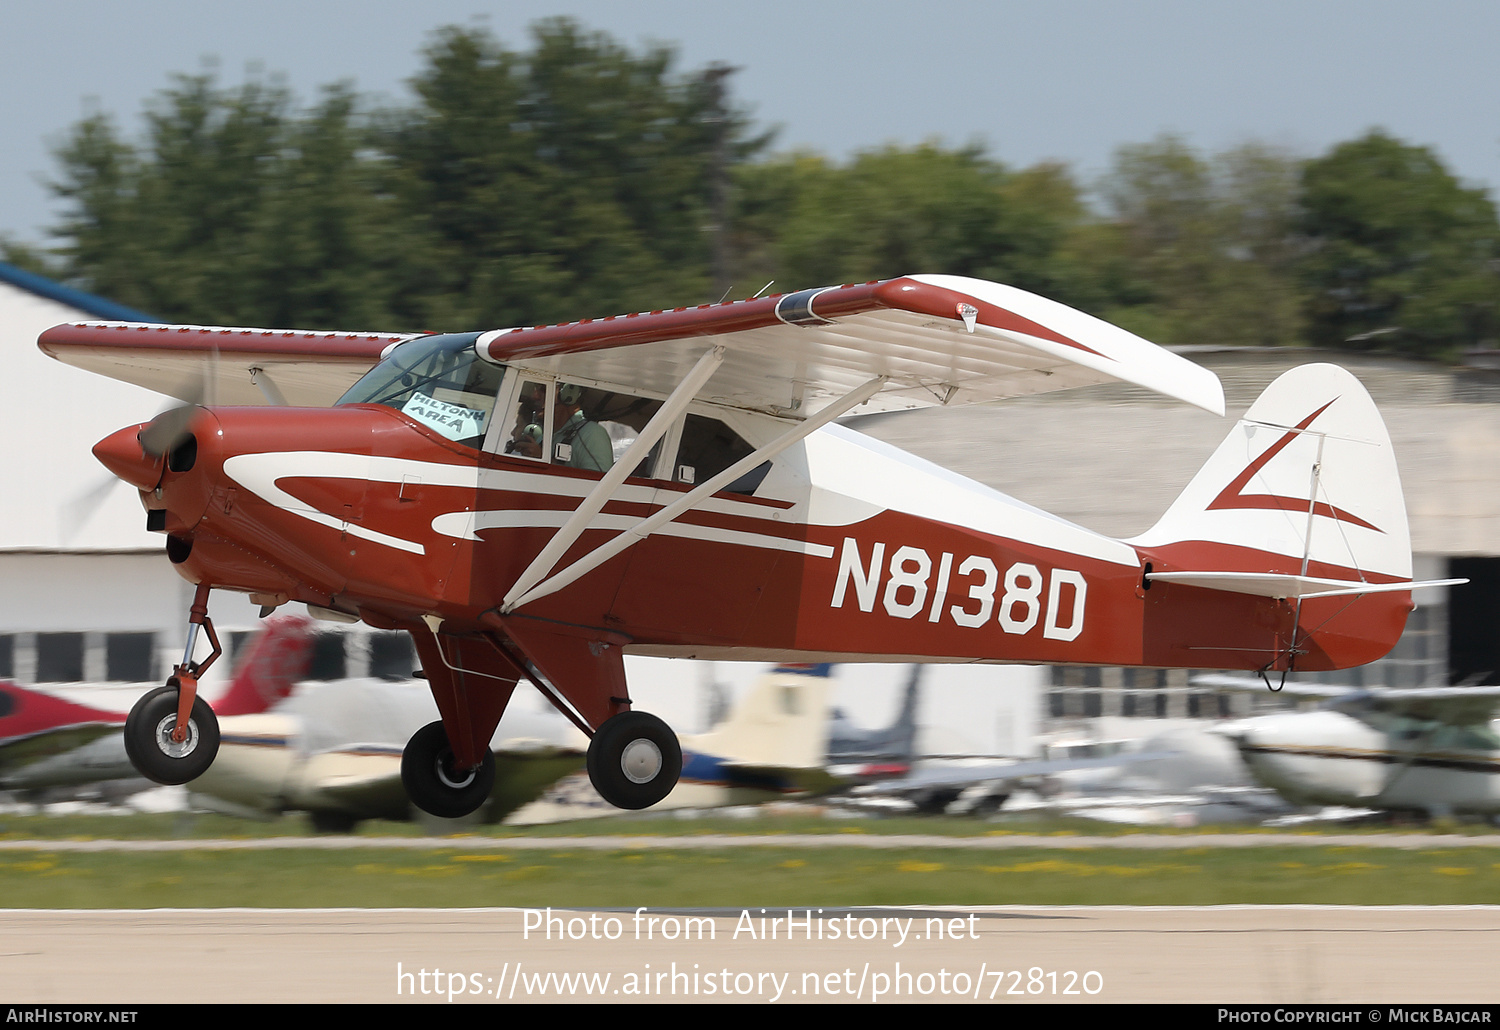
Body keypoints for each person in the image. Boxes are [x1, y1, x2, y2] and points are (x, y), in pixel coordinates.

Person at [553, 384, 613, 472]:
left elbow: (597, 482)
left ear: (569, 394)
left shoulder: (592, 433)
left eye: (543, 389)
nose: (535, 396)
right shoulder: (547, 433)